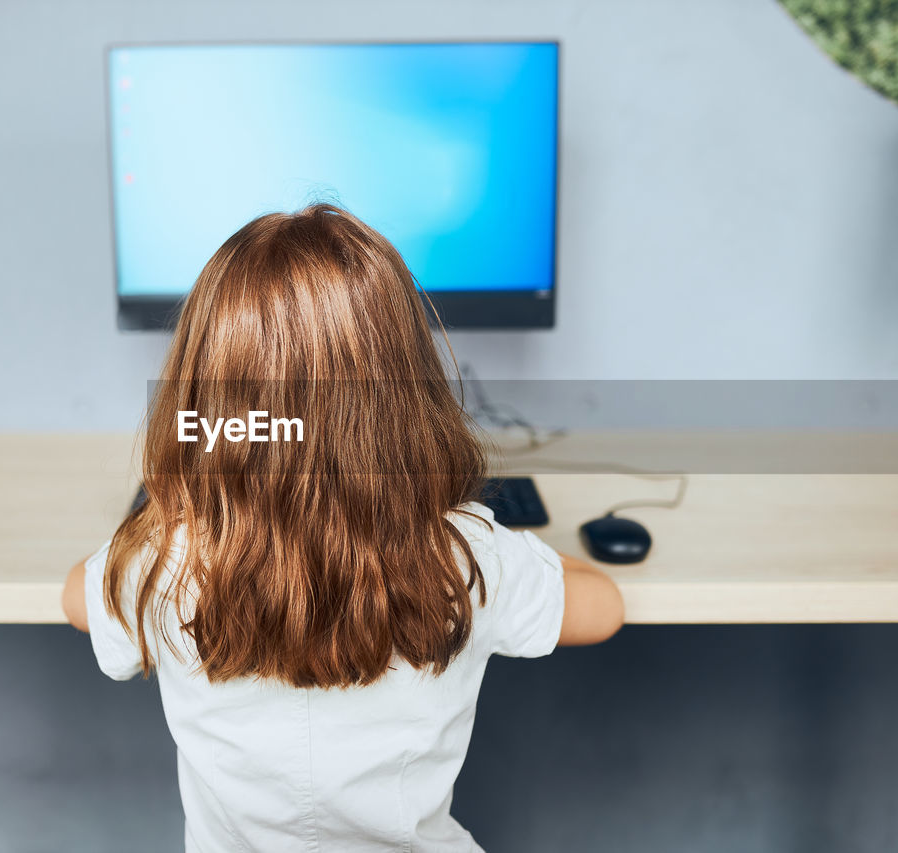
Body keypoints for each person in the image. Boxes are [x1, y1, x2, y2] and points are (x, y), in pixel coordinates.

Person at [63, 204, 624, 851]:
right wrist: (506, 542)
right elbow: (602, 607)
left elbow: (79, 597)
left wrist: (179, 508)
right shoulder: (461, 556)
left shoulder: (165, 559)